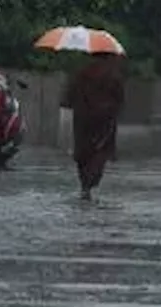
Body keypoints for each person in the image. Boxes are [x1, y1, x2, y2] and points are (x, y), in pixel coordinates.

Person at [65, 53, 126, 200]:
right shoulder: (113, 75)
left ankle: (84, 185)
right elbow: (120, 99)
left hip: (82, 118)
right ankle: (90, 183)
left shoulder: (81, 73)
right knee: (100, 150)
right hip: (105, 119)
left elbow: (69, 95)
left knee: (83, 151)